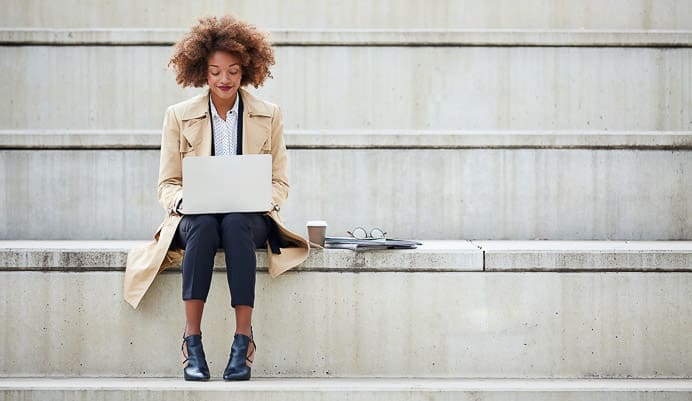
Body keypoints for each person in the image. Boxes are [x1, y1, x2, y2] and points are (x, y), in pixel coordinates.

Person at [123, 15, 310, 382]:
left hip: (249, 217)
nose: (224, 79)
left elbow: (280, 181)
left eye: (233, 71)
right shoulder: (178, 116)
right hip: (196, 217)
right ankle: (191, 340)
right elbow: (167, 183)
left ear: (247, 71)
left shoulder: (268, 115)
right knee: (206, 225)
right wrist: (182, 201)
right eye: (214, 72)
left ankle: (243, 341)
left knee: (237, 222)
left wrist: (262, 198)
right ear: (201, 73)